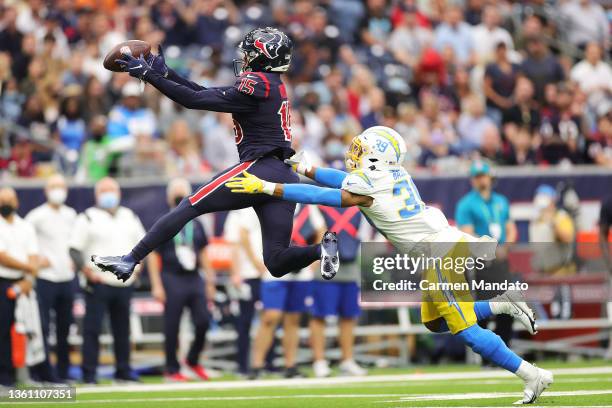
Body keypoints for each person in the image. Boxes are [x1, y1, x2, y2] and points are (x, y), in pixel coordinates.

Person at [225, 126, 550, 404]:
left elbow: (325, 196)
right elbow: (345, 180)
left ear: (377, 156)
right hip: (446, 245)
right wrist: (307, 168)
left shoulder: (369, 186)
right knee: (435, 322)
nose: (355, 155)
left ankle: (530, 374)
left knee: (465, 331)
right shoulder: (392, 173)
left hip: (440, 251)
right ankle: (502, 305)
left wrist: (270, 188)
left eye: (362, 150)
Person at [92, 27, 339, 284]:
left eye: (250, 53)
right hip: (284, 174)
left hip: (259, 168)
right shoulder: (270, 85)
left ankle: (130, 258)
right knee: (276, 261)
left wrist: (150, 75)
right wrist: (161, 71)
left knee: (190, 204)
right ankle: (321, 250)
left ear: (264, 57)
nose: (245, 58)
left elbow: (194, 100)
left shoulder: (259, 84)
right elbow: (199, 91)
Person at [68, 177, 145, 384]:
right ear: (97, 194)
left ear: (119, 193)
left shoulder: (129, 216)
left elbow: (142, 243)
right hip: (98, 281)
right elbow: (74, 249)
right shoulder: (87, 217)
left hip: (124, 282)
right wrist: (86, 271)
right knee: (92, 330)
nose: (109, 194)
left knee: (122, 329)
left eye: (112, 189)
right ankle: (89, 373)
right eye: (105, 190)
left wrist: (139, 267)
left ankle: (123, 370)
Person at [147, 178, 213, 382]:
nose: (178, 195)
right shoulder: (163, 220)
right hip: (171, 276)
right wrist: (156, 284)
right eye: (175, 192)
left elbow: (202, 253)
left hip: (193, 277)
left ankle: (192, 360)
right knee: (172, 325)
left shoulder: (197, 222)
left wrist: (210, 281)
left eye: (181, 191)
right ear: (168, 196)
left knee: (203, 320)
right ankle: (171, 368)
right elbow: (152, 254)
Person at [249, 204, 323, 379]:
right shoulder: (268, 205)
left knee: (294, 319)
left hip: (300, 272)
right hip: (275, 271)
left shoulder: (307, 207)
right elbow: (246, 233)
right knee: (270, 317)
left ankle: (290, 365)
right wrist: (256, 261)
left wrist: (315, 260)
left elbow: (321, 230)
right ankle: (257, 365)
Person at [455, 161, 518, 350]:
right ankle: (486, 352)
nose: (481, 180)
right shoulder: (466, 204)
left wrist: (505, 248)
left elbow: (510, 228)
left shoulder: (501, 202)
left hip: (500, 262)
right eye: (477, 176)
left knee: (508, 305)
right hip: (479, 263)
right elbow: (467, 233)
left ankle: (503, 348)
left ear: (490, 177)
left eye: (483, 175)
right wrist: (491, 249)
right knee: (481, 309)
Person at [25, 174, 77, 382]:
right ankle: (44, 372)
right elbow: (27, 240)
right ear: (46, 191)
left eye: (61, 186)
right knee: (43, 328)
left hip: (66, 277)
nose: (58, 190)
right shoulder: (36, 216)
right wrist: (37, 260)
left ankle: (63, 373)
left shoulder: (71, 214)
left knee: (65, 328)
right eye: (54, 186)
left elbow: (74, 242)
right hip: (46, 278)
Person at [311, 202, 369, 378]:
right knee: (320, 315)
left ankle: (347, 360)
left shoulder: (360, 208)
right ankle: (319, 361)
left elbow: (362, 236)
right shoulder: (320, 205)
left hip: (350, 265)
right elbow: (318, 232)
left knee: (349, 315)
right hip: (326, 265)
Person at [0, 187, 38, 387]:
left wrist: (28, 279)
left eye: (9, 199)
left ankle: (26, 374)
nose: (6, 203)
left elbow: (33, 255)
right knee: (2, 330)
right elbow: (2, 257)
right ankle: (4, 377)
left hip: (24, 284)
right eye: (2, 199)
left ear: (17, 203)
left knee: (29, 330)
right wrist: (30, 267)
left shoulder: (26, 227)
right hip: (3, 281)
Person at [224, 208, 266, 376]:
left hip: (267, 274)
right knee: (244, 322)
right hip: (247, 275)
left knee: (269, 320)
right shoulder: (236, 214)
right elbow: (234, 245)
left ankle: (265, 363)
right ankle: (243, 365)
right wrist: (236, 273)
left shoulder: (264, 209)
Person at [529, 185, 575, 275]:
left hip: (560, 271)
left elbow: (568, 238)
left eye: (543, 196)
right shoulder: (536, 221)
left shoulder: (561, 217)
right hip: (542, 272)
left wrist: (552, 223)